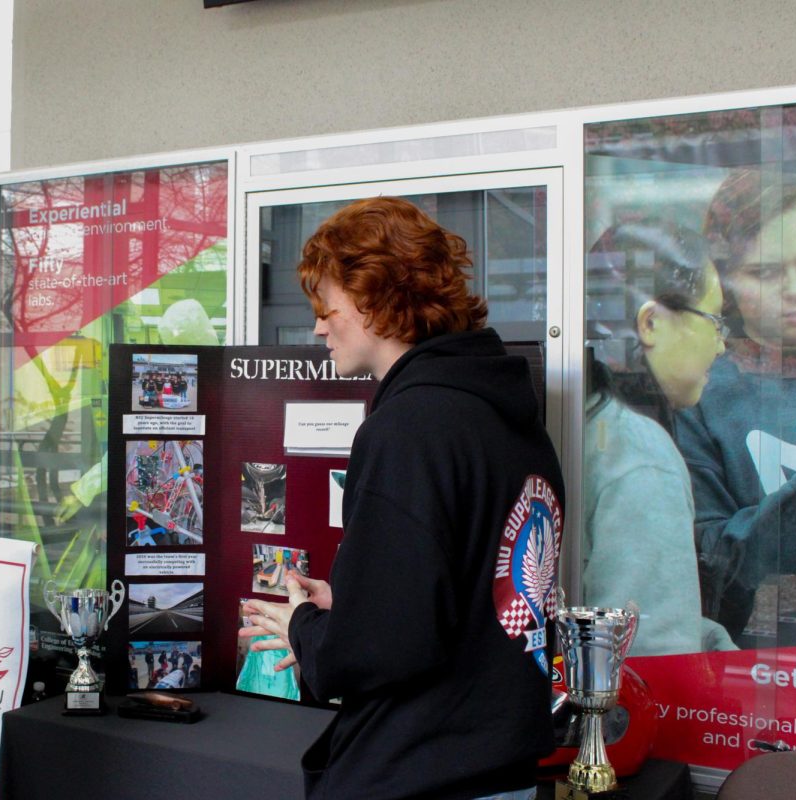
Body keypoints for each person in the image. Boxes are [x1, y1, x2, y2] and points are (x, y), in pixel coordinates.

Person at [241, 197, 564, 800]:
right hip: (501, 768)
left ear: (373, 300)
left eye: (325, 305)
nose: (317, 326)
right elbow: (480, 596)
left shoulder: (409, 427)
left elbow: (379, 649)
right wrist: (356, 602)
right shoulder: (511, 420)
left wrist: (304, 629)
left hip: (421, 769)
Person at [675, 169, 796, 644]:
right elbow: (711, 563)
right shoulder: (700, 390)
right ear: (725, 282)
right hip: (766, 672)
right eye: (765, 271)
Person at [583, 222, 736, 655]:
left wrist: (702, 633)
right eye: (715, 321)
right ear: (650, 322)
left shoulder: (584, 418)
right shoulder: (639, 452)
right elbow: (649, 653)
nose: (721, 346)